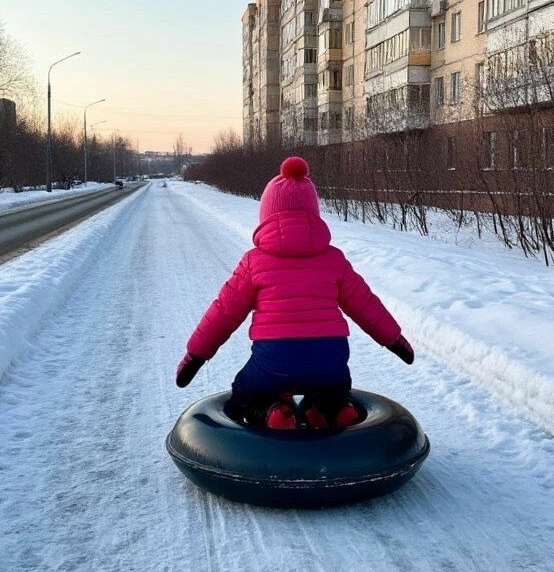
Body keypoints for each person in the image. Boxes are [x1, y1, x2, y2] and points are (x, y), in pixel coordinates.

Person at [175, 156, 414, 430]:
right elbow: (366, 305)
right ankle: (330, 408)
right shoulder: (334, 259)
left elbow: (223, 313)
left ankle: (269, 412)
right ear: (314, 214)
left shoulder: (254, 262)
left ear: (266, 216)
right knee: (331, 386)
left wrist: (195, 356)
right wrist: (395, 341)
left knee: (244, 390)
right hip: (331, 362)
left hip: (274, 363)